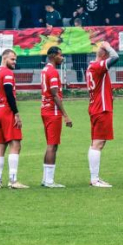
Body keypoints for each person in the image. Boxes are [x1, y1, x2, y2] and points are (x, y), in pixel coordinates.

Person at [0, 49, 27, 189]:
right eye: (12, 59)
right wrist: (16, 113)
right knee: (15, 143)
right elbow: (9, 93)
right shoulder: (7, 73)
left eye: (15, 59)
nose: (14, 62)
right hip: (6, 110)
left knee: (1, 145)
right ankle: (13, 181)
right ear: (4, 58)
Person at [86, 41, 119, 187]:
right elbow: (116, 57)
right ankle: (95, 179)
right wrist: (108, 47)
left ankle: (94, 177)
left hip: (95, 107)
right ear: (105, 54)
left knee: (95, 143)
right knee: (98, 143)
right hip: (102, 108)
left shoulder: (90, 66)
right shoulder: (97, 66)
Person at [39, 47, 73, 188]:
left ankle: (45, 178)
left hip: (44, 109)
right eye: (60, 55)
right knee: (52, 145)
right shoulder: (52, 72)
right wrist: (66, 115)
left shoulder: (45, 70)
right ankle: (49, 181)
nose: (62, 57)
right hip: (52, 111)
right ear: (53, 56)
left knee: (50, 145)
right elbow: (55, 94)